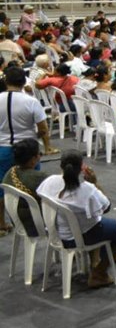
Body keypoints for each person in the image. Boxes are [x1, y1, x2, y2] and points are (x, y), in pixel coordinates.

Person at [37, 151, 116, 288]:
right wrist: (95, 183)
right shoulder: (87, 190)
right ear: (82, 168)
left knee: (95, 221)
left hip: (56, 231)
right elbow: (106, 207)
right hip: (77, 237)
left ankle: (97, 258)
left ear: (61, 166)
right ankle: (99, 273)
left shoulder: (49, 181)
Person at [0, 65, 58, 235]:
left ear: (6, 81)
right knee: (34, 186)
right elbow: (43, 128)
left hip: (3, 147)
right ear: (24, 81)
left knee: (2, 186)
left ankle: (2, 223)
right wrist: (42, 141)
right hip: (28, 148)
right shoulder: (31, 101)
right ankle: (38, 223)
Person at [1, 138, 49, 237]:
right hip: (36, 225)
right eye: (39, 154)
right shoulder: (39, 177)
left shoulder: (10, 172)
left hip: (17, 221)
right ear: (33, 160)